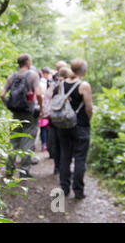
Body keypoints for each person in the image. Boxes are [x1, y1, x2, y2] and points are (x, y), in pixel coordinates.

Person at [53, 59, 93, 199]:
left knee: (65, 156)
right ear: (83, 70)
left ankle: (64, 188)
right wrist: (88, 119)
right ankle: (78, 191)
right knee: (80, 158)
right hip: (80, 125)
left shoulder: (62, 83)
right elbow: (89, 107)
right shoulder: (84, 85)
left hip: (63, 125)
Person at [0, 53, 43, 178]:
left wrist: (8, 104)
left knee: (14, 140)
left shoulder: (12, 77)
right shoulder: (33, 75)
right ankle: (24, 171)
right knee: (28, 140)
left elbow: (2, 94)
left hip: (16, 113)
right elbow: (39, 94)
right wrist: (40, 107)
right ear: (28, 62)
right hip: (29, 112)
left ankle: (9, 169)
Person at [47, 62, 69, 174]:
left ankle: (57, 167)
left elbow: (48, 99)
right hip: (66, 119)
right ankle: (64, 168)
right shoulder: (71, 86)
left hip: (55, 118)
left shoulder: (54, 86)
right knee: (65, 144)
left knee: (56, 143)